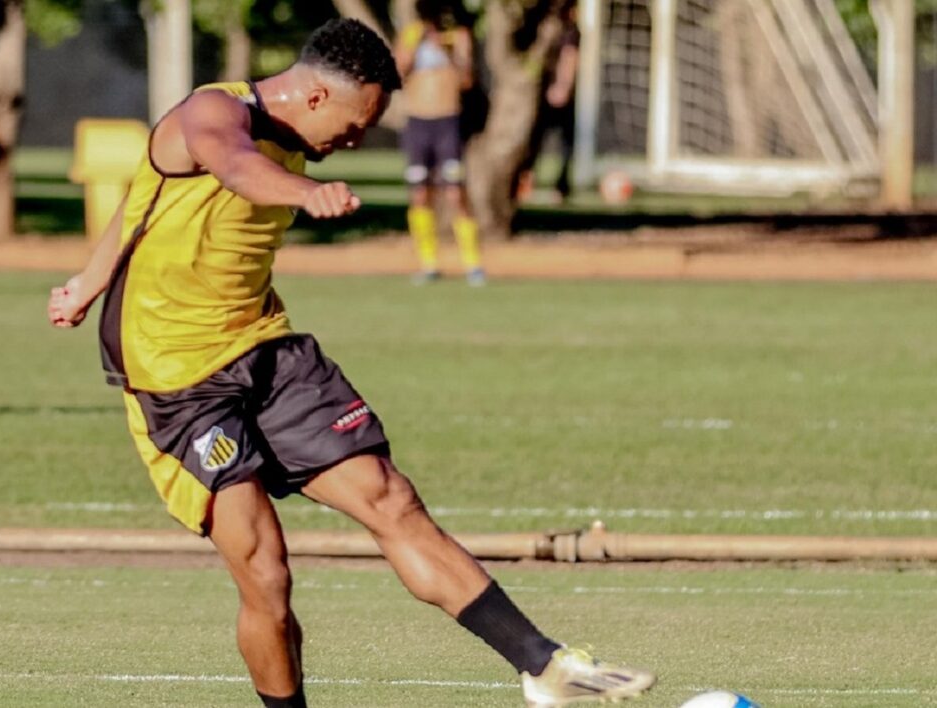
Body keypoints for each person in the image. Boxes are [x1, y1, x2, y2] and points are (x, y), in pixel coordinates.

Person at [47, 18, 654, 708]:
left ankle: (542, 664)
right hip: (177, 379)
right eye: (356, 123)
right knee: (267, 574)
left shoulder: (287, 134)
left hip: (265, 347)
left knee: (390, 497)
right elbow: (234, 165)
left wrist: (87, 280)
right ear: (313, 97)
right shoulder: (211, 114)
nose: (358, 141)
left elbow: (137, 200)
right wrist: (303, 192)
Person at [394, 0, 486, 286]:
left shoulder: (459, 37)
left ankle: (472, 264)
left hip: (448, 122)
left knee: (456, 193)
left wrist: (451, 53)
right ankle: (428, 262)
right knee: (420, 193)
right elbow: (398, 74)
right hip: (418, 123)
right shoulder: (411, 34)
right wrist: (414, 47)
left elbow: (467, 80)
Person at [517, 3, 580, 204]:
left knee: (563, 144)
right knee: (535, 140)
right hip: (544, 92)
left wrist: (563, 86)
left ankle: (559, 186)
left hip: (557, 93)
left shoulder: (569, 31)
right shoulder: (550, 27)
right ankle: (526, 180)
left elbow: (570, 57)